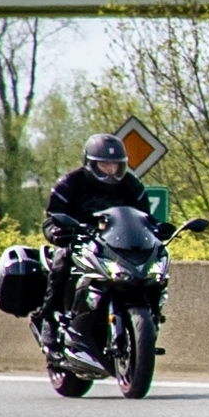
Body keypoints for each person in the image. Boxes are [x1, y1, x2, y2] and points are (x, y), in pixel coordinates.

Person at [41, 136, 150, 334]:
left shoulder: (132, 186)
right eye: (104, 164)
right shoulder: (69, 183)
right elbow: (51, 219)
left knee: (151, 270)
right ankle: (49, 318)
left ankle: (151, 315)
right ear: (90, 163)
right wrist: (58, 233)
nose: (110, 169)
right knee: (62, 259)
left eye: (115, 165)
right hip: (80, 240)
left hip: (117, 245)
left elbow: (145, 219)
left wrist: (158, 230)